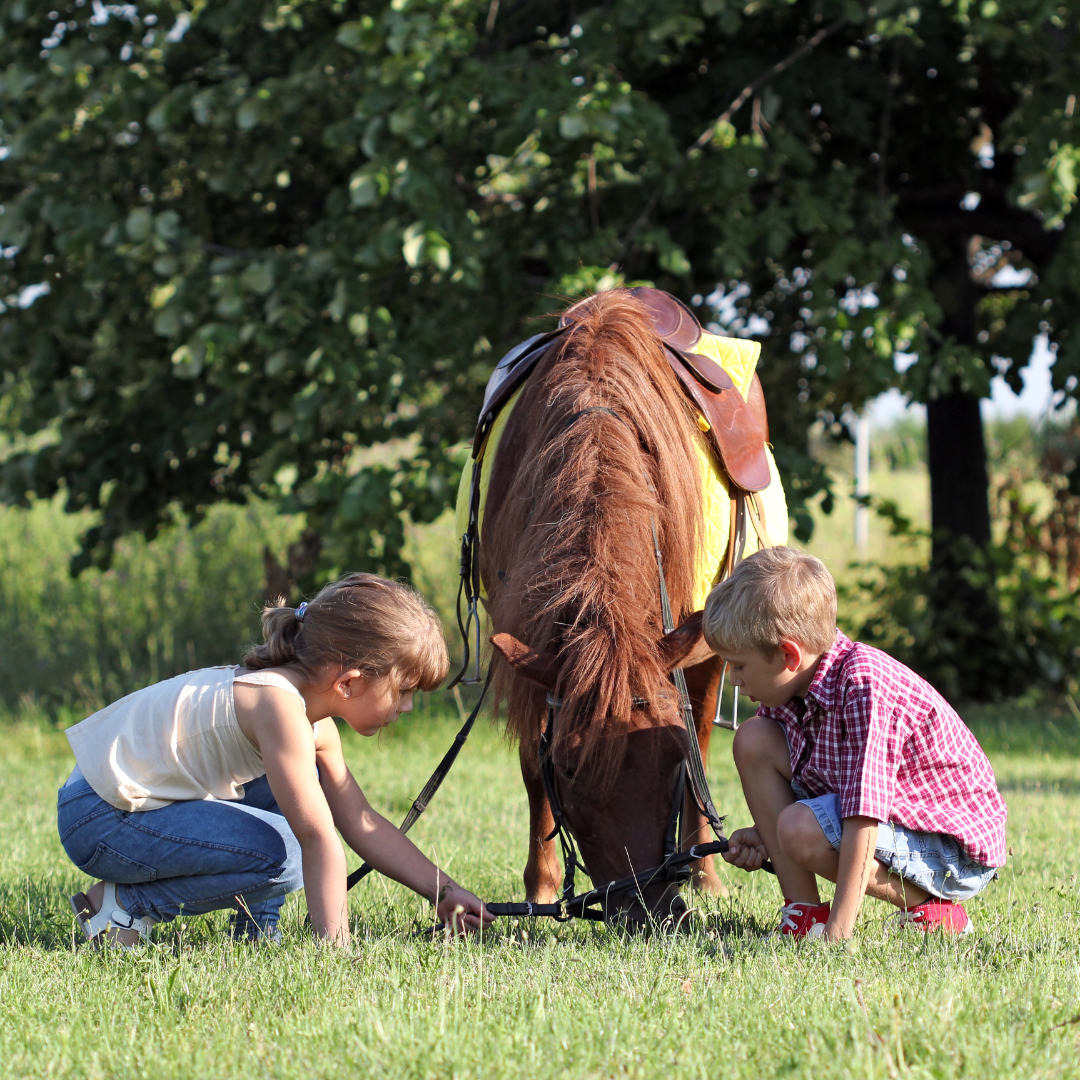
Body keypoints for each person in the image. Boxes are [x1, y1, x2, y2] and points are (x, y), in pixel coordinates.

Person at [58, 572, 492, 948]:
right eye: (404, 691)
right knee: (285, 852)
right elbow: (318, 840)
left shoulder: (308, 721)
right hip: (100, 818)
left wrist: (443, 890)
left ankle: (257, 932)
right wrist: (336, 954)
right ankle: (123, 907)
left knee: (291, 796)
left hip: (120, 808)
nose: (408, 707)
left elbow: (361, 821)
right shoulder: (278, 708)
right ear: (349, 682)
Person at [703, 547, 1007, 940]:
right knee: (753, 739)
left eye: (739, 665)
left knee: (799, 828)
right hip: (894, 828)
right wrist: (767, 835)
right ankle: (804, 914)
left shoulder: (864, 687)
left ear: (788, 655)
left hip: (952, 849)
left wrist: (840, 932)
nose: (733, 679)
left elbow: (862, 815)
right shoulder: (788, 694)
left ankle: (930, 909)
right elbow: (826, 791)